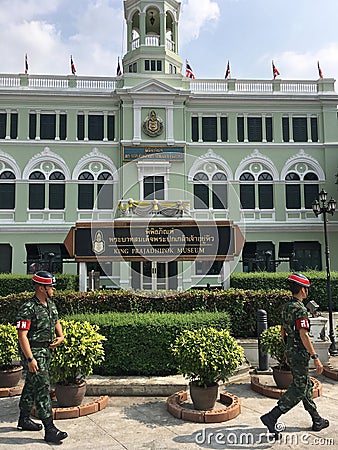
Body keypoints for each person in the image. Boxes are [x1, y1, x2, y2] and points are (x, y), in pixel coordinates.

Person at [260, 272, 329, 438]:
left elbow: (283, 330)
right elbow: (304, 335)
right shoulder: (300, 309)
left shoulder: (286, 307)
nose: (307, 292)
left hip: (291, 350)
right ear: (302, 290)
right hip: (299, 353)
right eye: (306, 289)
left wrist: (286, 351)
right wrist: (315, 357)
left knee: (304, 385)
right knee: (299, 388)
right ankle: (272, 416)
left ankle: (316, 419)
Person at [16, 271, 68, 444]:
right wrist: (30, 359)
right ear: (41, 288)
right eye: (50, 286)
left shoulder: (50, 304)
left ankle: (23, 419)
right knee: (43, 388)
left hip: (46, 352)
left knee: (31, 384)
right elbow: (22, 335)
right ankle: (50, 429)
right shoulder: (28, 307)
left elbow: (56, 322)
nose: (53, 289)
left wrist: (60, 336)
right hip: (34, 352)